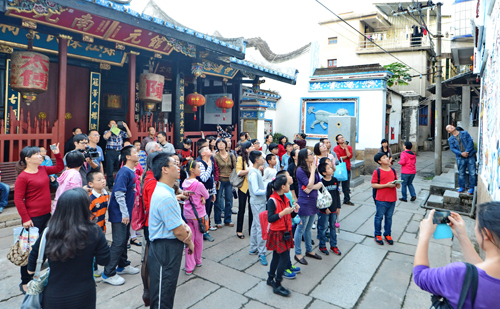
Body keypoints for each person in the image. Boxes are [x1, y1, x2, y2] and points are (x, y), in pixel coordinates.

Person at [27, 188, 110, 309]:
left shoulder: (49, 232)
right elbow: (105, 261)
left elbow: (31, 270)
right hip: (85, 295)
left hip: (54, 297)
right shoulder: (94, 230)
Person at [414, 203, 500, 308]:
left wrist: (424, 235)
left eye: (476, 225)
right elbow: (482, 273)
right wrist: (461, 235)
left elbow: (420, 276)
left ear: (485, 233)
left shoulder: (459, 273)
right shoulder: (493, 274)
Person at [14, 144, 64, 294]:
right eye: (37, 154)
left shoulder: (43, 169)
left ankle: (40, 272)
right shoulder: (23, 177)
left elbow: (59, 168)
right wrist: (25, 218)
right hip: (32, 219)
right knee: (29, 251)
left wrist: (57, 153)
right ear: (27, 159)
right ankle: (25, 281)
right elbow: (18, 199)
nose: (41, 155)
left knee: (48, 244)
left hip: (46, 215)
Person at [148, 152, 194, 309]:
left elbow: (177, 221)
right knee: (163, 294)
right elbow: (178, 231)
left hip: (168, 247)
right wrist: (190, 242)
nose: (178, 166)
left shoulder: (168, 191)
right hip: (164, 248)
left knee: (167, 290)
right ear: (164, 169)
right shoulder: (165, 195)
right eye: (174, 164)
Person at [102, 145, 140, 286]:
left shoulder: (131, 170)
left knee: (124, 239)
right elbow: (118, 193)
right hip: (120, 213)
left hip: (126, 212)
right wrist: (124, 213)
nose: (138, 153)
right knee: (118, 242)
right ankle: (108, 273)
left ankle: (123, 265)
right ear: (128, 157)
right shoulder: (124, 172)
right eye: (135, 152)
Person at [266, 174, 298, 297]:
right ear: (283, 186)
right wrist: (282, 213)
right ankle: (277, 283)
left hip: (285, 231)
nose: (290, 186)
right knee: (283, 258)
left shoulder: (286, 197)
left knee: (277, 256)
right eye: (288, 184)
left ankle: (270, 279)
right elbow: (270, 218)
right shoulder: (272, 200)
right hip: (277, 232)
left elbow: (291, 215)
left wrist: (294, 210)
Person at [294, 148, 323, 265]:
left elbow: (320, 183)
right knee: (300, 229)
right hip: (304, 203)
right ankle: (298, 253)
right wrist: (312, 173)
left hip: (313, 200)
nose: (313, 155)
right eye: (311, 154)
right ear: (305, 158)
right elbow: (308, 184)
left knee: (309, 228)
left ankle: (309, 250)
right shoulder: (300, 170)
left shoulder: (313, 167)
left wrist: (311, 187)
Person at [182, 160, 209, 275]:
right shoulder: (198, 184)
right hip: (198, 216)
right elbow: (207, 195)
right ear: (192, 170)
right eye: (198, 167)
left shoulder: (184, 183)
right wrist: (202, 197)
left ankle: (189, 266)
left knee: (189, 240)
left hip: (187, 214)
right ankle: (197, 260)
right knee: (198, 240)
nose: (200, 169)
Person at [140, 152, 160, 307]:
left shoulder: (149, 176)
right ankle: (149, 292)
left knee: (148, 255)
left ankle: (148, 291)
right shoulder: (153, 181)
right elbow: (154, 207)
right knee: (149, 258)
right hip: (151, 224)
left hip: (149, 222)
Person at [371, 152, 401, 246]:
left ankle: (387, 234)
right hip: (381, 198)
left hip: (392, 198)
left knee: (389, 217)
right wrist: (386, 185)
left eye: (386, 157)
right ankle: (377, 234)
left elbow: (396, 183)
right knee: (379, 217)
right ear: (379, 161)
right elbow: (373, 184)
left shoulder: (393, 170)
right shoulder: (377, 171)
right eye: (384, 158)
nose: (387, 159)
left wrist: (397, 184)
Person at [248, 150, 268, 266]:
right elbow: (256, 191)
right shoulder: (254, 173)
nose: (263, 159)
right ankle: (261, 252)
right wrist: (268, 190)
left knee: (256, 225)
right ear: (257, 160)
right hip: (258, 202)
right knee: (261, 227)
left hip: (257, 202)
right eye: (262, 158)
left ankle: (253, 247)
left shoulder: (256, 171)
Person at [88, 171, 109, 277]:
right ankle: (91, 272)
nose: (103, 181)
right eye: (99, 180)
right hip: (91, 229)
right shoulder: (90, 199)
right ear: (90, 184)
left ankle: (95, 268)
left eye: (103, 178)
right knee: (91, 251)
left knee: (98, 249)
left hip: (102, 227)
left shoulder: (106, 194)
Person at [317, 163, 342, 256]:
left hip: (334, 208)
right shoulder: (321, 183)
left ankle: (333, 245)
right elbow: (320, 197)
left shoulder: (335, 180)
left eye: (330, 167)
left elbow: (337, 194)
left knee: (333, 227)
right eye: (328, 168)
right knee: (323, 227)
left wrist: (338, 206)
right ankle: (322, 245)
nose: (331, 169)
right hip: (325, 210)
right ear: (324, 172)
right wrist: (325, 208)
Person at [446, 124, 477, 195]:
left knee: (472, 172)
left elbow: (470, 142)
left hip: (470, 155)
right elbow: (453, 149)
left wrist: (466, 152)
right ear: (449, 132)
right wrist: (461, 153)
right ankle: (462, 187)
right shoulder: (450, 139)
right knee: (461, 173)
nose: (451, 127)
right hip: (460, 157)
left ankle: (471, 187)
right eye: (448, 128)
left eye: (451, 126)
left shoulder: (464, 133)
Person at [214, 138, 236, 228]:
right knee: (218, 201)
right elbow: (215, 169)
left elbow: (235, 168)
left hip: (229, 181)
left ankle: (228, 220)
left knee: (229, 201)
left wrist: (234, 179)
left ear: (226, 145)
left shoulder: (231, 155)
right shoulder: (215, 157)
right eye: (219, 143)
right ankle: (218, 221)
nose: (221, 145)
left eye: (222, 143)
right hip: (220, 181)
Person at [104, 120, 132, 188]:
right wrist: (112, 130)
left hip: (119, 152)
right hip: (110, 152)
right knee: (110, 169)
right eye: (112, 124)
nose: (114, 125)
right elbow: (105, 137)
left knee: (121, 168)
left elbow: (129, 135)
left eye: (115, 124)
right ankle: (110, 186)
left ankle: (120, 183)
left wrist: (126, 126)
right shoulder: (107, 131)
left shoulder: (120, 132)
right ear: (109, 125)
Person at [236, 141, 255, 239]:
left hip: (253, 187)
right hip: (243, 187)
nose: (253, 147)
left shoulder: (254, 158)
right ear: (246, 149)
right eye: (251, 146)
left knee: (252, 209)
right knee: (241, 209)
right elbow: (238, 172)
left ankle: (251, 230)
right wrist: (251, 170)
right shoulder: (240, 158)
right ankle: (239, 230)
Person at [334, 134, 355, 206]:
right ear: (337, 141)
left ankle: (347, 199)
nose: (342, 139)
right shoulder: (336, 148)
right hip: (339, 169)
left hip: (347, 168)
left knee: (346, 185)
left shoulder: (349, 147)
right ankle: (336, 200)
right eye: (340, 138)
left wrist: (346, 148)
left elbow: (350, 156)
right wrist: (346, 157)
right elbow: (338, 158)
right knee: (337, 184)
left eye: (342, 137)